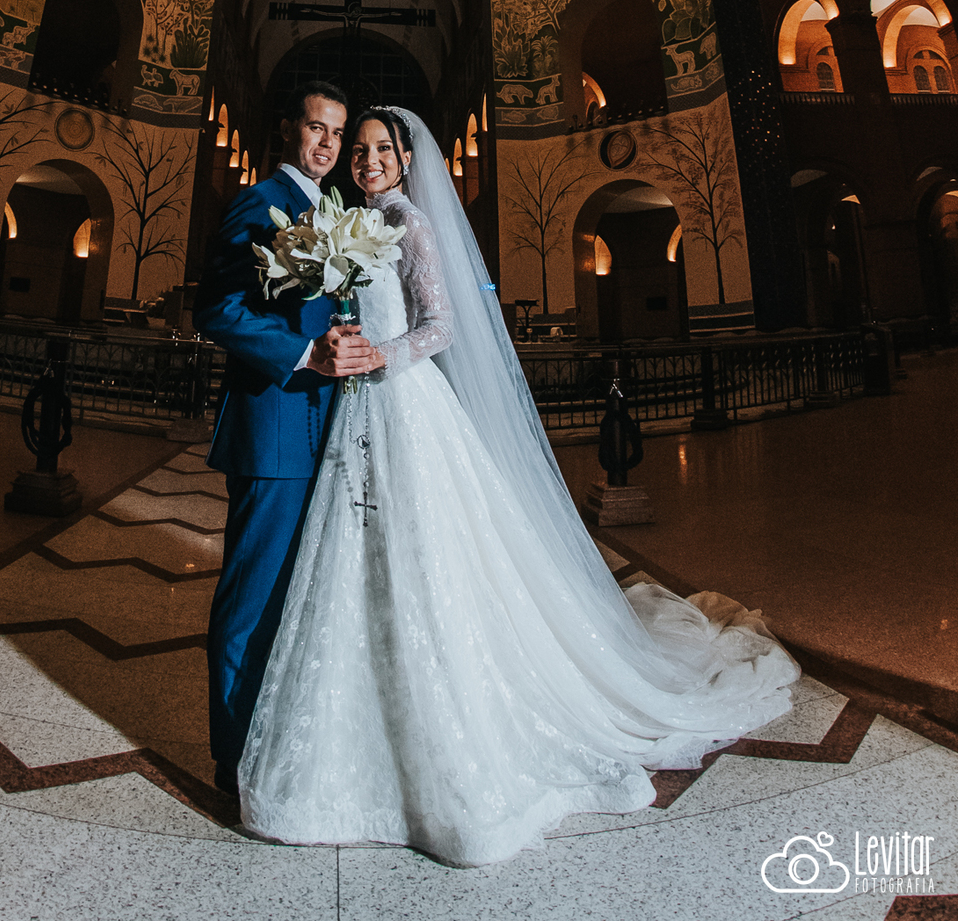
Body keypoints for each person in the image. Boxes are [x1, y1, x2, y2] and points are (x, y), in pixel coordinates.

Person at [238, 106, 801, 867]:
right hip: (355, 409)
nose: (367, 160)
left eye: (382, 149)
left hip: (406, 404)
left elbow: (441, 326)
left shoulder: (411, 224)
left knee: (425, 557)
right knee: (355, 554)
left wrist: (383, 357)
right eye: (359, 149)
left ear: (406, 159)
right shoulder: (350, 222)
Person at [192, 80, 380, 796]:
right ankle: (232, 757)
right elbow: (217, 309)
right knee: (253, 598)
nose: (327, 143)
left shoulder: (331, 210)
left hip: (321, 430)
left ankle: (274, 744)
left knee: (299, 596)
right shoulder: (260, 200)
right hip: (273, 430)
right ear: (288, 131)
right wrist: (305, 355)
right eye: (316, 128)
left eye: (337, 132)